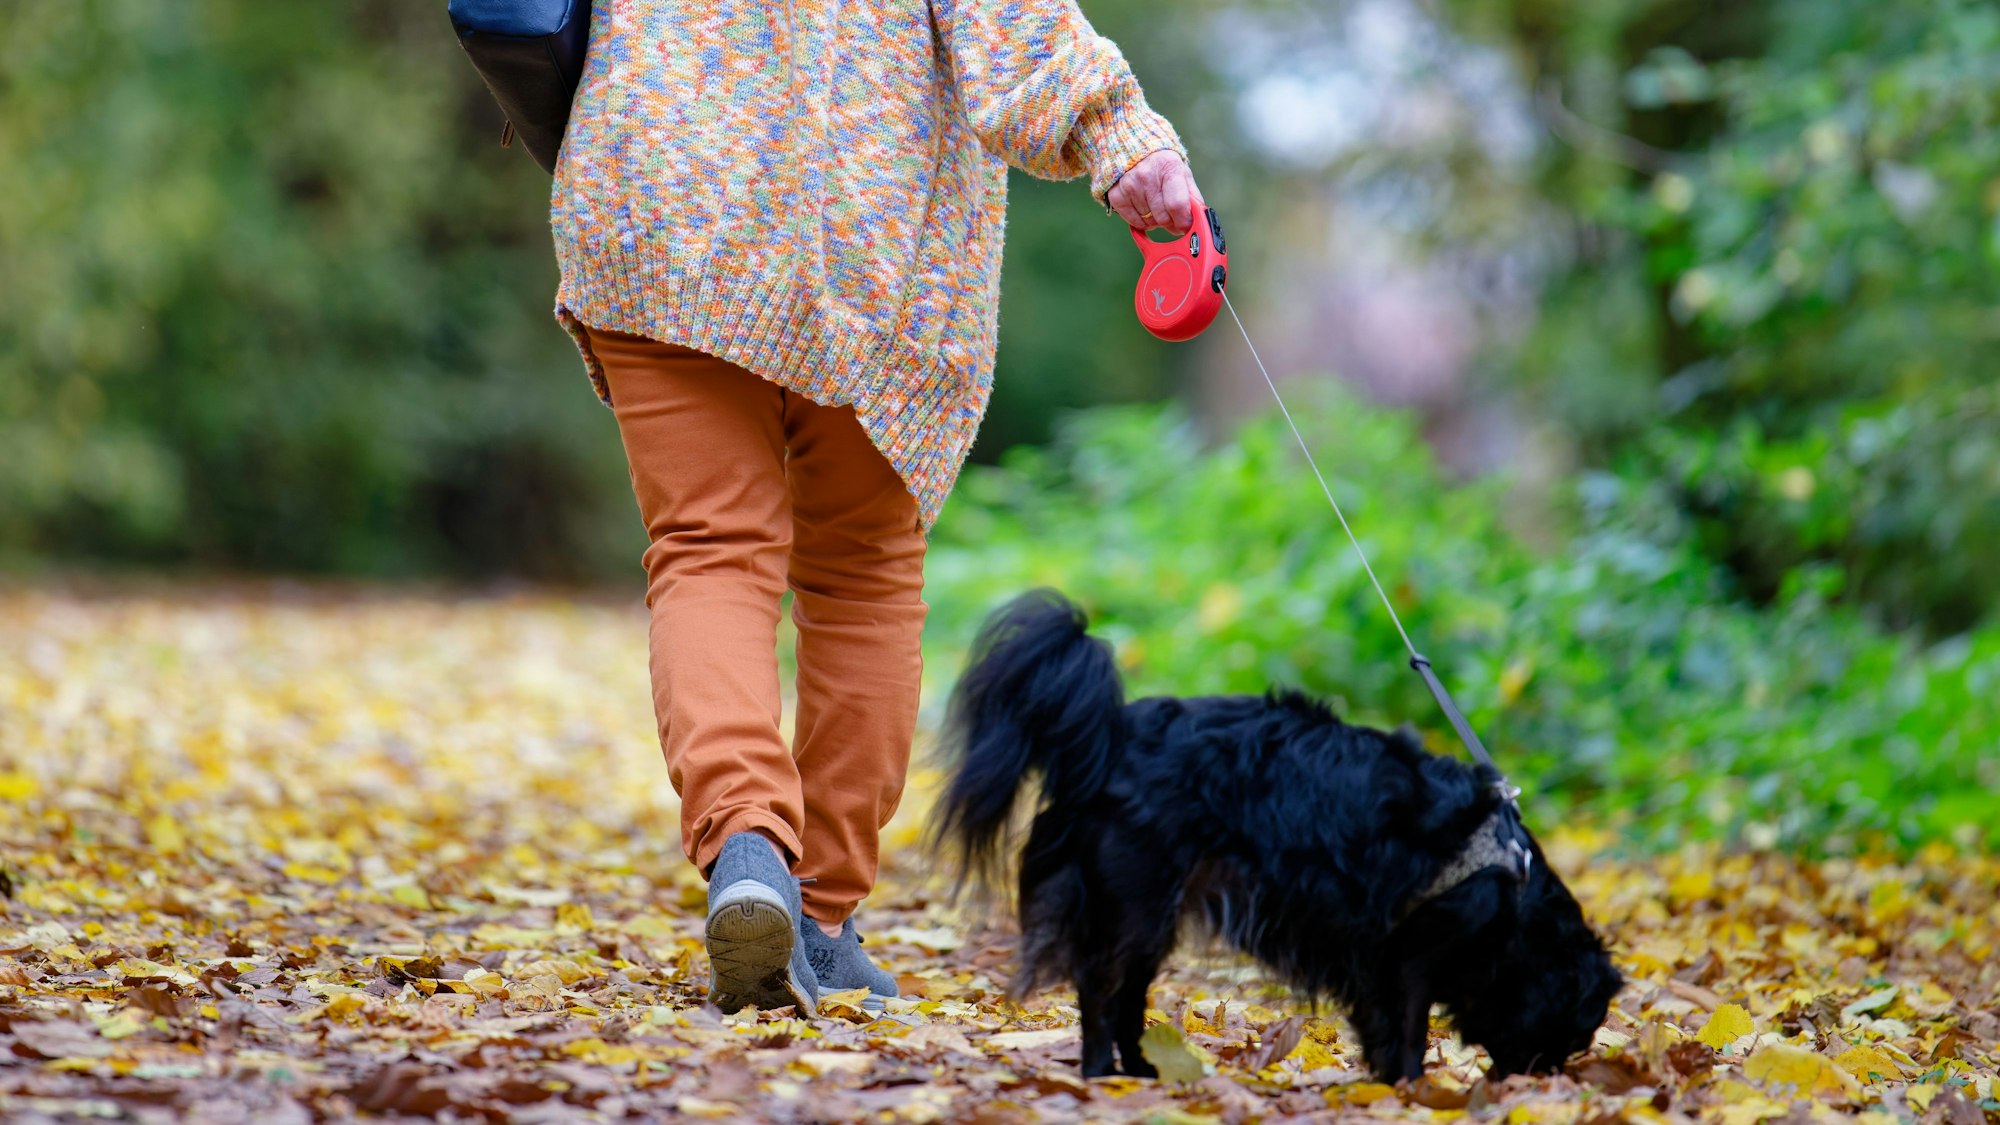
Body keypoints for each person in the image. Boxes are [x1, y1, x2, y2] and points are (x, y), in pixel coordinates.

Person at [548, 0, 1204, 1013]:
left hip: (654, 198)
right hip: (871, 239)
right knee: (859, 578)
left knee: (707, 549)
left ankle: (747, 852)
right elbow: (1008, 22)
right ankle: (815, 915)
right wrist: (1118, 135)